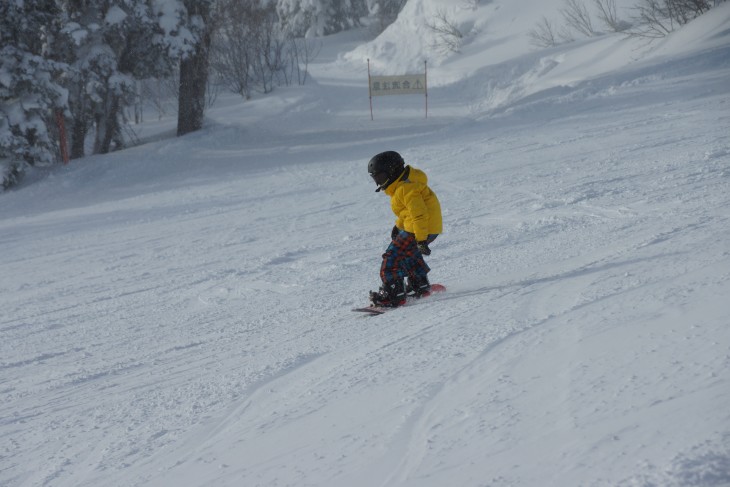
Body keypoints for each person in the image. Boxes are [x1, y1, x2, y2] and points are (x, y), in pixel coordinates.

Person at [367, 150, 443, 307]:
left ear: (393, 171)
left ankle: (395, 294)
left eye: (380, 177)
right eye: (376, 178)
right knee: (409, 255)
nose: (379, 182)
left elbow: (419, 215)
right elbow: (407, 212)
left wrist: (421, 240)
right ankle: (419, 285)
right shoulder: (403, 186)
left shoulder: (405, 188)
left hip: (420, 229)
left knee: (391, 258)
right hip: (422, 228)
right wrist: (399, 226)